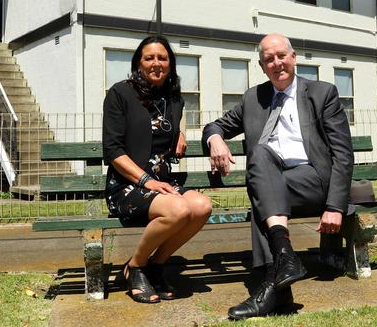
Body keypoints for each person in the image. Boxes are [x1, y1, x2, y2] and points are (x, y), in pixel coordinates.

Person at [202, 33, 354, 319]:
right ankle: (282, 270)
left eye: (281, 56)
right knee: (260, 160)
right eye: (269, 59)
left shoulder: (322, 93)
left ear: (293, 57)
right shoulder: (253, 98)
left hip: (313, 181)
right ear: (261, 66)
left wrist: (335, 206)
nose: (277, 63)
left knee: (260, 193)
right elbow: (214, 125)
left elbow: (343, 154)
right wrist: (215, 140)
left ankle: (274, 286)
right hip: (273, 182)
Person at [103, 35, 212, 303]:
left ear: (170, 63)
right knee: (179, 210)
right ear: (138, 63)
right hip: (127, 186)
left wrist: (181, 134)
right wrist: (146, 181)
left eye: (162, 58)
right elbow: (113, 150)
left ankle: (155, 265)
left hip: (163, 184)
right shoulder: (120, 93)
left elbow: (171, 121)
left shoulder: (173, 98)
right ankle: (136, 267)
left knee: (201, 207)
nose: (156, 63)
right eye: (149, 58)